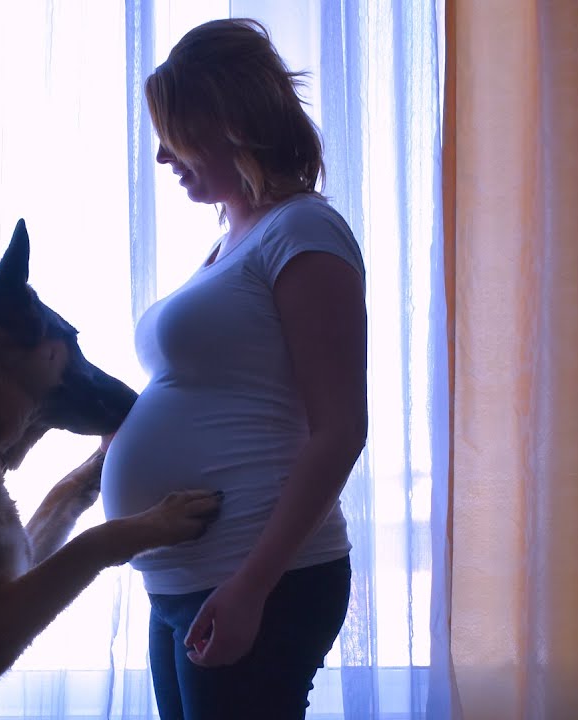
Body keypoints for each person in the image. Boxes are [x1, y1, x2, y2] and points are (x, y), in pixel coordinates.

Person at [99, 18, 368, 720]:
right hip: (183, 580)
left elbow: (339, 430)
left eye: (176, 133)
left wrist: (252, 585)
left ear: (230, 124)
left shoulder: (303, 231)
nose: (162, 156)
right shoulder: (232, 242)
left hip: (261, 578)